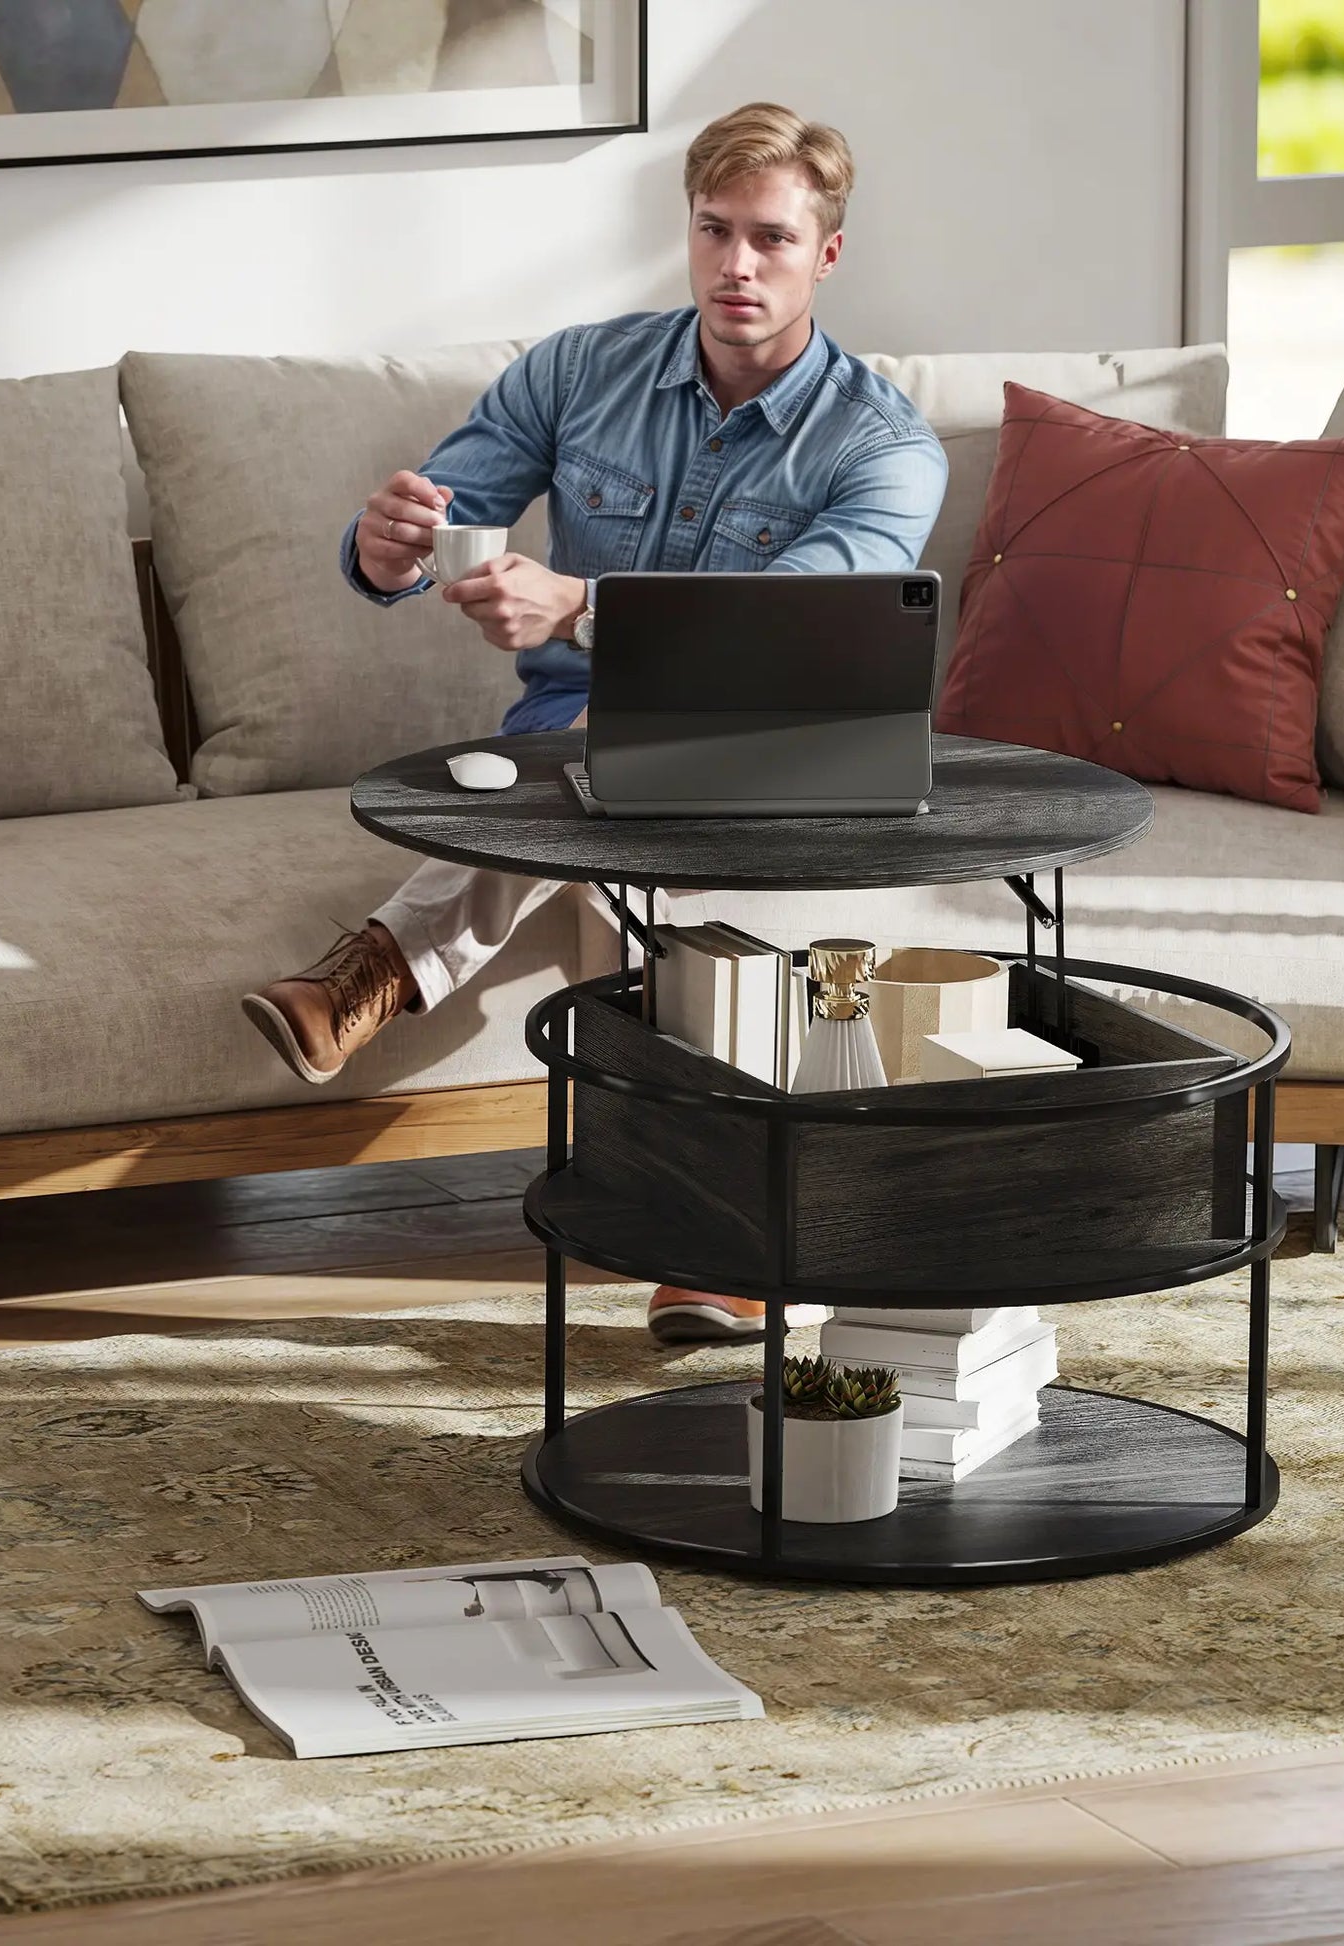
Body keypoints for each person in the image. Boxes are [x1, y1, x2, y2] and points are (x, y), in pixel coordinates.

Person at [243, 101, 948, 1341]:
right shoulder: (576, 371)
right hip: (575, 744)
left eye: (771, 239)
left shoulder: (882, 447)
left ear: (825, 255)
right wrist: (386, 548)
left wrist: (576, 607)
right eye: (713, 230)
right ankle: (723, 1247)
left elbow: (786, 636)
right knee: (596, 829)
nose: (737, 265)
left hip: (771, 742)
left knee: (572, 803)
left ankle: (374, 968)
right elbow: (445, 506)